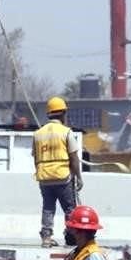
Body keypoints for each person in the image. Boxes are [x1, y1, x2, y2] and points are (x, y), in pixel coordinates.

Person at [33, 96, 82, 248]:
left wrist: (41, 173)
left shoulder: (38, 134)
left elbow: (35, 158)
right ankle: (70, 236)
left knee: (48, 207)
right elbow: (74, 157)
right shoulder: (66, 132)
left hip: (44, 178)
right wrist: (78, 177)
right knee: (69, 208)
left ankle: (46, 237)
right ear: (62, 114)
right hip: (63, 178)